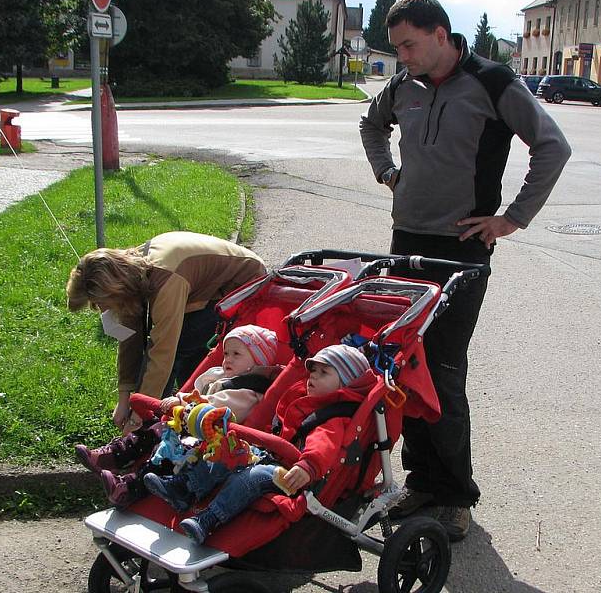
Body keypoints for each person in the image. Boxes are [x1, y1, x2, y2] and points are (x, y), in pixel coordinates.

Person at [359, 0, 571, 541]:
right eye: (397, 46)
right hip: (406, 239)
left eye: (408, 44)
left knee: (444, 371)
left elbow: (552, 146)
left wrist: (511, 219)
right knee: (404, 364)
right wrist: (388, 173)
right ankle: (419, 482)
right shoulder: (403, 86)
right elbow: (372, 125)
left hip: (461, 249)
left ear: (440, 33)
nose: (401, 55)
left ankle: (455, 497)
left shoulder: (493, 81)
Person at [150, 344, 374, 545]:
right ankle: (185, 488)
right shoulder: (307, 401)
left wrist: (308, 466)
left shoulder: (333, 419)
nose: (312, 377)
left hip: (293, 475)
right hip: (274, 456)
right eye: (313, 371)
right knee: (229, 450)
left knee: (251, 477)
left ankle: (209, 519)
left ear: (346, 382)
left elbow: (323, 445)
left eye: (323, 373)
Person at [65, 231, 267, 431]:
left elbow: (163, 353)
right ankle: (193, 420)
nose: (101, 310)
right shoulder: (131, 275)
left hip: (245, 285)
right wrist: (124, 397)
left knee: (178, 347)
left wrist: (139, 414)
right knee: (189, 362)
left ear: (116, 288)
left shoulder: (166, 280)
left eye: (100, 302)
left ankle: (151, 428)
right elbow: (129, 339)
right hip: (204, 291)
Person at [74, 325, 281, 507]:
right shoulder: (220, 376)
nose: (228, 358)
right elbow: (197, 390)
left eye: (237, 354)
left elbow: (218, 405)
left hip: (212, 440)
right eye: (226, 353)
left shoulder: (249, 392)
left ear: (257, 362)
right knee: (154, 429)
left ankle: (128, 487)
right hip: (190, 425)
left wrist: (182, 402)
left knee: (165, 452)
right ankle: (113, 455)